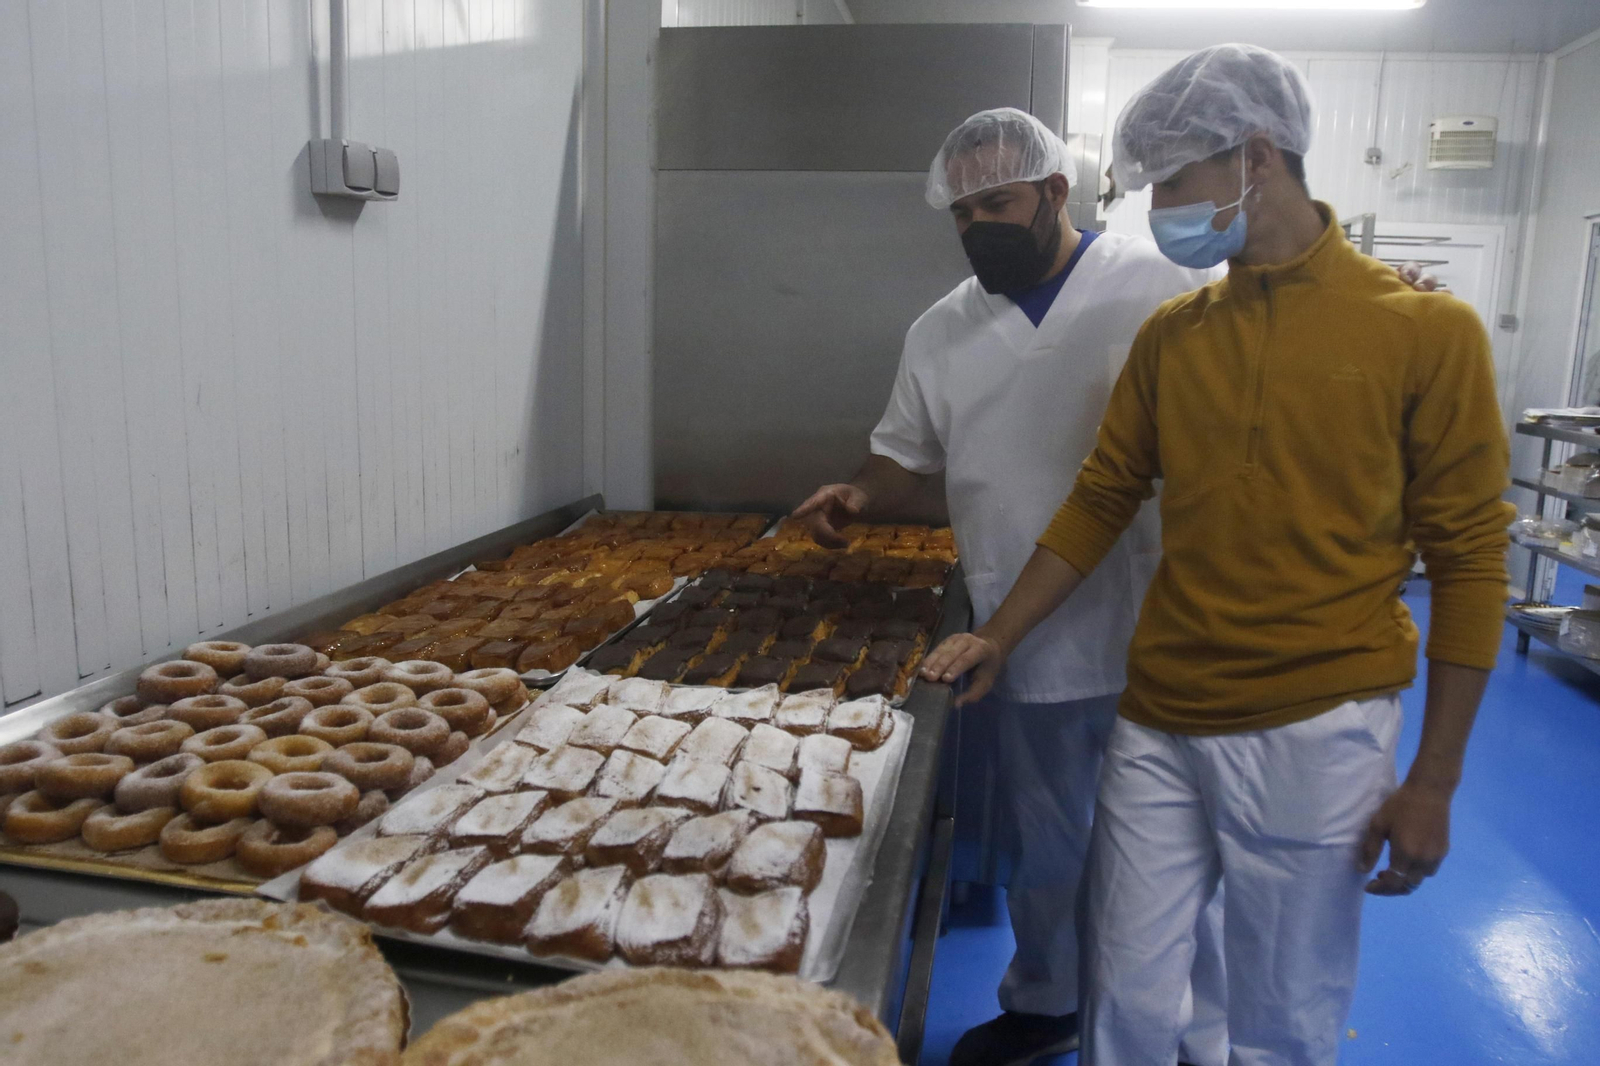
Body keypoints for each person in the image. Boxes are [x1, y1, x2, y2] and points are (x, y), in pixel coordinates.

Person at [920, 43, 1512, 1066]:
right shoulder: (1176, 336)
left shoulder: (1424, 332)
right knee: (1127, 995)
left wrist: (1434, 781)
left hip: (1315, 722)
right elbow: (1102, 496)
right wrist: (1001, 636)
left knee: (1278, 1012)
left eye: (1172, 181)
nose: (1157, 210)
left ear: (1256, 157)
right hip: (1159, 711)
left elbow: (1469, 562)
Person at [793, 106, 1234, 1066]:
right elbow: (902, 453)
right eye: (961, 212)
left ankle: (1203, 1035)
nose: (976, 225)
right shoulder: (941, 331)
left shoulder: (1163, 283)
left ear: (1055, 191)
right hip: (1025, 633)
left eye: (996, 203)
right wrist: (859, 493)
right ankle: (1048, 1002)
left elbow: (1269, 344)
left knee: (1179, 846)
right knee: (1049, 844)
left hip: (1165, 622)